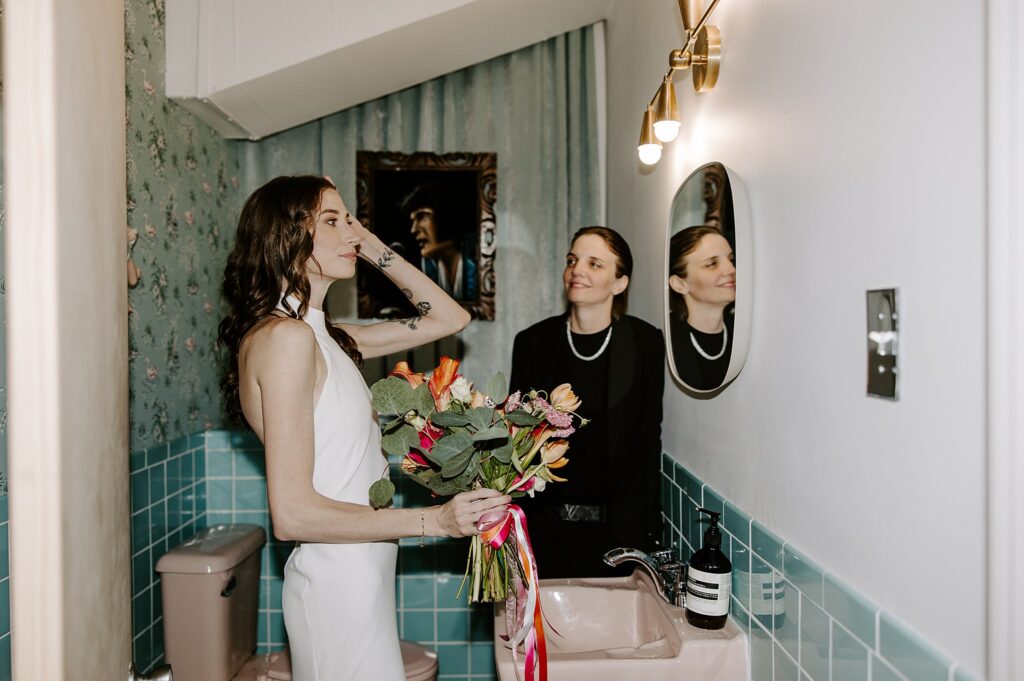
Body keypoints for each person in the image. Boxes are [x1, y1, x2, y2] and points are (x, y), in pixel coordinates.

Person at [217, 175, 509, 680]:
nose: (350, 232)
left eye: (349, 220)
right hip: (334, 585)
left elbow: (450, 317)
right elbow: (292, 515)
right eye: (331, 221)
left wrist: (368, 244)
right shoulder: (285, 339)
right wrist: (435, 522)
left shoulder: (328, 336)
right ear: (285, 237)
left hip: (361, 576)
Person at [509, 226, 665, 578]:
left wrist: (640, 538)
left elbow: (646, 444)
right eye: (572, 260)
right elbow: (518, 440)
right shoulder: (534, 343)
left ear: (619, 283)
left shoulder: (643, 344)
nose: (577, 270)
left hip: (619, 539)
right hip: (544, 533)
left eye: (595, 264)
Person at [667, 225, 736, 390]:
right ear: (680, 284)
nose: (731, 269)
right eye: (712, 264)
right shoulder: (663, 343)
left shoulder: (745, 331)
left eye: (731, 259)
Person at [401, 182, 478, 300]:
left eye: (422, 217)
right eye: (413, 220)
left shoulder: (478, 267)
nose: (413, 229)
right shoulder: (427, 268)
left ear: (446, 216)